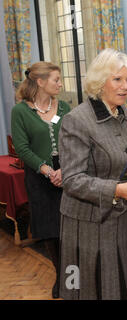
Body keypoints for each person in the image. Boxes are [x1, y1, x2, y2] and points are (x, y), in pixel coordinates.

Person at [58, 48, 127, 300]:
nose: (125, 86)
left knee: (118, 285)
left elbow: (122, 162)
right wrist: (116, 189)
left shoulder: (123, 114)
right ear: (101, 81)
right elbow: (72, 180)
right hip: (87, 223)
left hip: (119, 217)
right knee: (90, 288)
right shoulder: (77, 120)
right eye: (117, 79)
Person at [11, 62, 70, 299]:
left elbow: (74, 140)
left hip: (67, 174)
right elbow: (22, 149)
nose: (60, 84)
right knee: (51, 232)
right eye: (56, 79)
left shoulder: (65, 107)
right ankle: (62, 277)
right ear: (40, 82)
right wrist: (48, 171)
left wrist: (65, 169)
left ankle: (73, 276)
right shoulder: (20, 112)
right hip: (39, 177)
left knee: (69, 231)